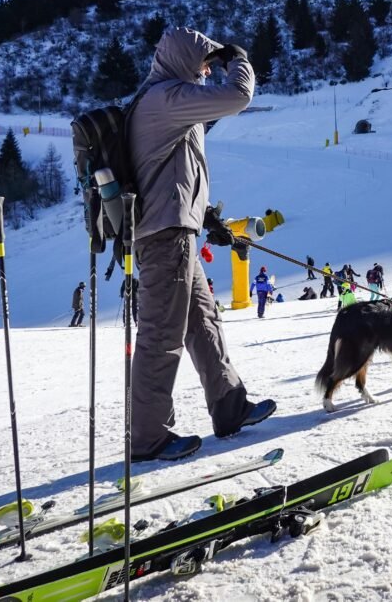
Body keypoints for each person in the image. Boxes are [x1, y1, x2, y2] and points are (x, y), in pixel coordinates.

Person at [127, 27, 275, 462]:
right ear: (185, 61)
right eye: (204, 64)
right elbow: (238, 97)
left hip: (177, 229)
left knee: (203, 320)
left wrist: (205, 215)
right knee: (161, 334)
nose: (208, 72)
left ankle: (229, 406)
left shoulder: (165, 100)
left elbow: (173, 169)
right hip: (163, 235)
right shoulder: (166, 97)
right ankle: (148, 437)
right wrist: (239, 59)